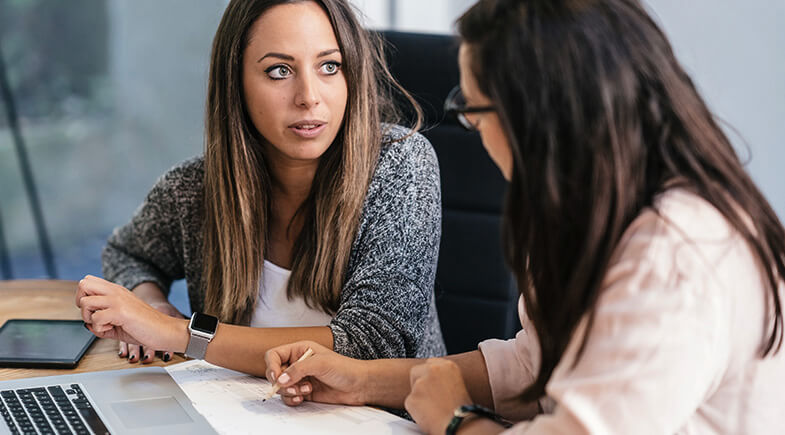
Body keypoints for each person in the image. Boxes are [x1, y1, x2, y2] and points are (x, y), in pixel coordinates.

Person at [262, 0, 785, 432]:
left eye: (474, 110)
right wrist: (363, 380)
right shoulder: (585, 212)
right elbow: (536, 365)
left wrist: (457, 420)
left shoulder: (671, 255)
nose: (473, 130)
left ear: (534, 117)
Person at [75, 0, 446, 377]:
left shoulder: (401, 163)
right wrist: (151, 303)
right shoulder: (193, 190)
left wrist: (176, 333)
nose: (309, 96)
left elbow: (374, 343)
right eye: (279, 70)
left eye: (329, 67)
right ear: (236, 82)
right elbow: (127, 253)